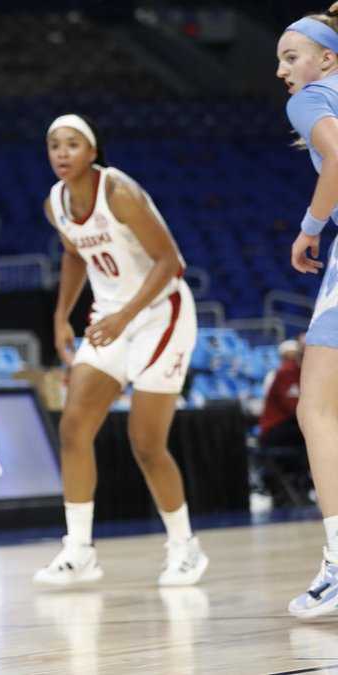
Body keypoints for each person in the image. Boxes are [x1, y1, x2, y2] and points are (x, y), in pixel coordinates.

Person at [33, 114, 206, 588]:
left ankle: (185, 547)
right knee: (73, 427)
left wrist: (124, 317)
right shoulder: (55, 203)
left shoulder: (119, 192)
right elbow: (74, 254)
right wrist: (61, 315)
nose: (62, 152)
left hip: (161, 314)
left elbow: (171, 262)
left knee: (146, 441)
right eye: (54, 145)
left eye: (72, 144)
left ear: (92, 151)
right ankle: (79, 551)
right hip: (111, 317)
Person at [276, 6, 338, 618]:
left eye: (290, 57)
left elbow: (337, 160)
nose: (281, 71)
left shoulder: (312, 98)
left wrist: (310, 227)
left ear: (327, 58)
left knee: (316, 408)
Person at [259, 339, 304, 449]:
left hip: (290, 423)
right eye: (288, 356)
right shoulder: (285, 373)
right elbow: (292, 408)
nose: (290, 359)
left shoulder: (302, 373)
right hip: (277, 426)